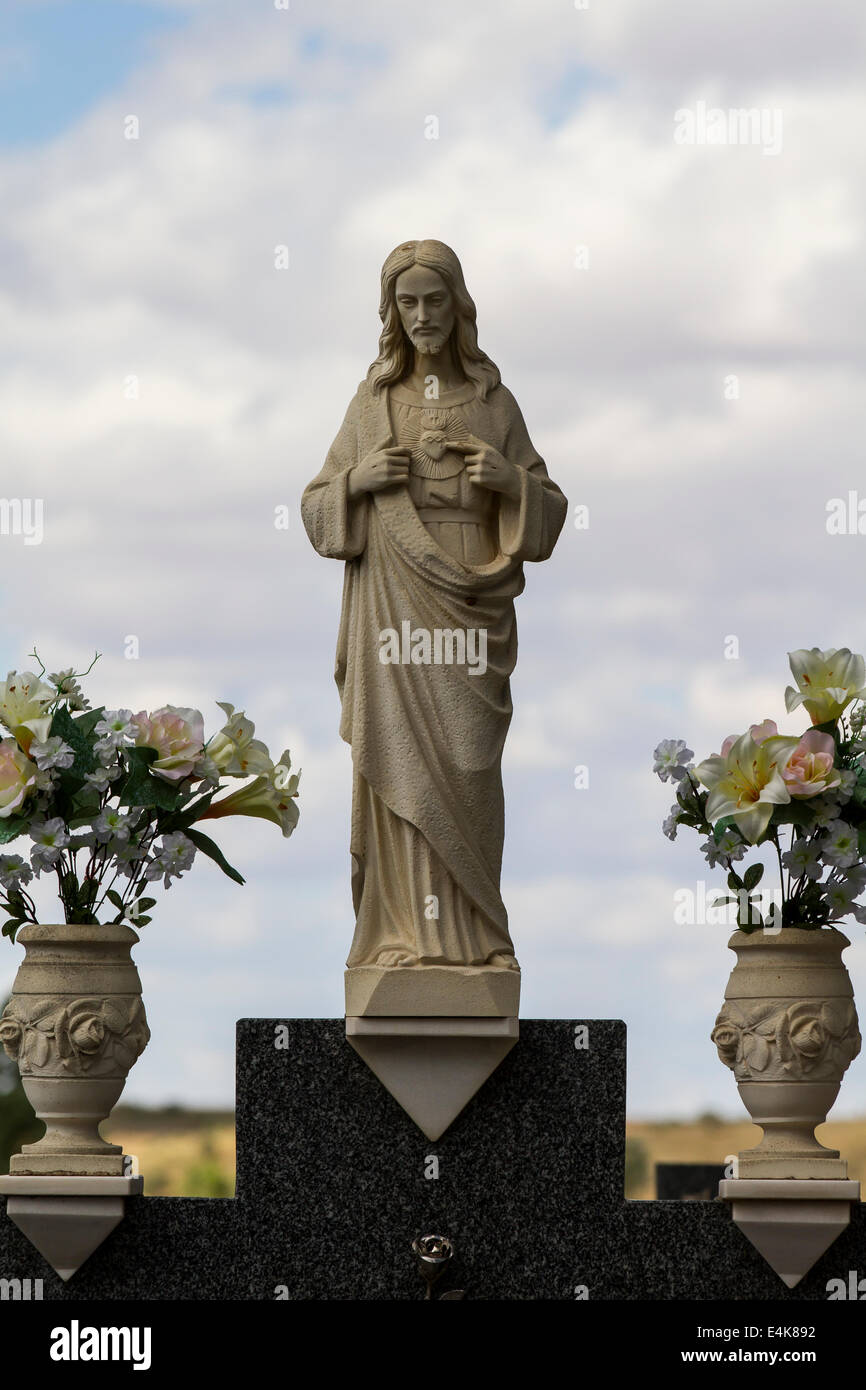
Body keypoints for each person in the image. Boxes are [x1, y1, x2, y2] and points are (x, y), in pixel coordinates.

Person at [302, 240, 567, 971]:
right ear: (392, 313)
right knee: (400, 765)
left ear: (459, 307)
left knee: (469, 766)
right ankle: (399, 938)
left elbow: (548, 511)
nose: (422, 316)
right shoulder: (373, 404)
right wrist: (358, 478)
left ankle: (480, 938)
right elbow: (318, 508)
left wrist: (509, 481)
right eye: (407, 303)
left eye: (435, 300)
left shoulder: (493, 404)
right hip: (393, 607)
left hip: (471, 614)